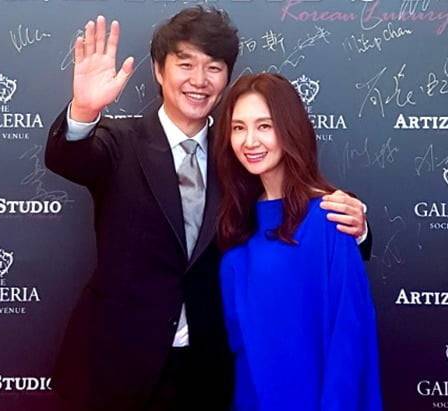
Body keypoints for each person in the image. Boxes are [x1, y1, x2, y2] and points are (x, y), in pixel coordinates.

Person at [45, 7, 371, 411]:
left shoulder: (241, 154)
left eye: (213, 67)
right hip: (116, 365)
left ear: (226, 78)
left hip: (209, 371)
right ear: (158, 71)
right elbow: (68, 158)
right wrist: (83, 112)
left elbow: (291, 210)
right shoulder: (119, 141)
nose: (199, 80)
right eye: (185, 64)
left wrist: (357, 229)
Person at [215, 73, 382, 411]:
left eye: (264, 126)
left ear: (289, 129)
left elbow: (349, 341)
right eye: (238, 128)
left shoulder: (331, 217)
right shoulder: (237, 222)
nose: (250, 141)